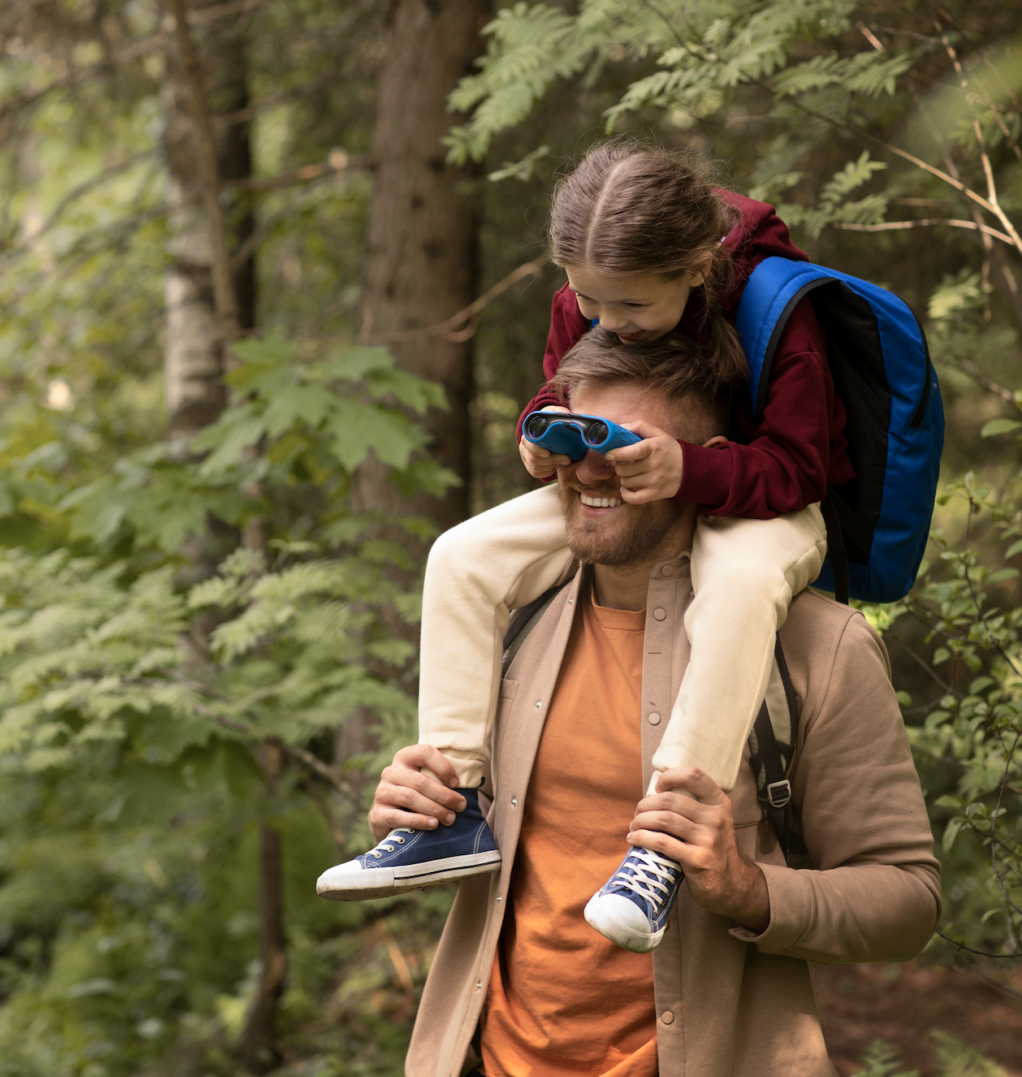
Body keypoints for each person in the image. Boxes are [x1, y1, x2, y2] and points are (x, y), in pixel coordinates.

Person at [316, 143, 847, 956]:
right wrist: (540, 432)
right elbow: (562, 382)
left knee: (739, 586)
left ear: (697, 266)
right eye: (587, 298)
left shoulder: (776, 301)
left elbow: (805, 464)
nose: (605, 323)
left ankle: (662, 846)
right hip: (624, 485)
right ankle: (452, 809)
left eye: (630, 307)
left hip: (754, 498)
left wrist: (691, 467)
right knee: (460, 555)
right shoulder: (593, 299)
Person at [387, 333, 940, 1077]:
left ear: (702, 461)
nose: (587, 471)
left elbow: (907, 900)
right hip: (483, 1060)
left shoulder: (816, 646)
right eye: (574, 438)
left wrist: (746, 889)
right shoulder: (510, 616)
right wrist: (423, 802)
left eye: (621, 448)